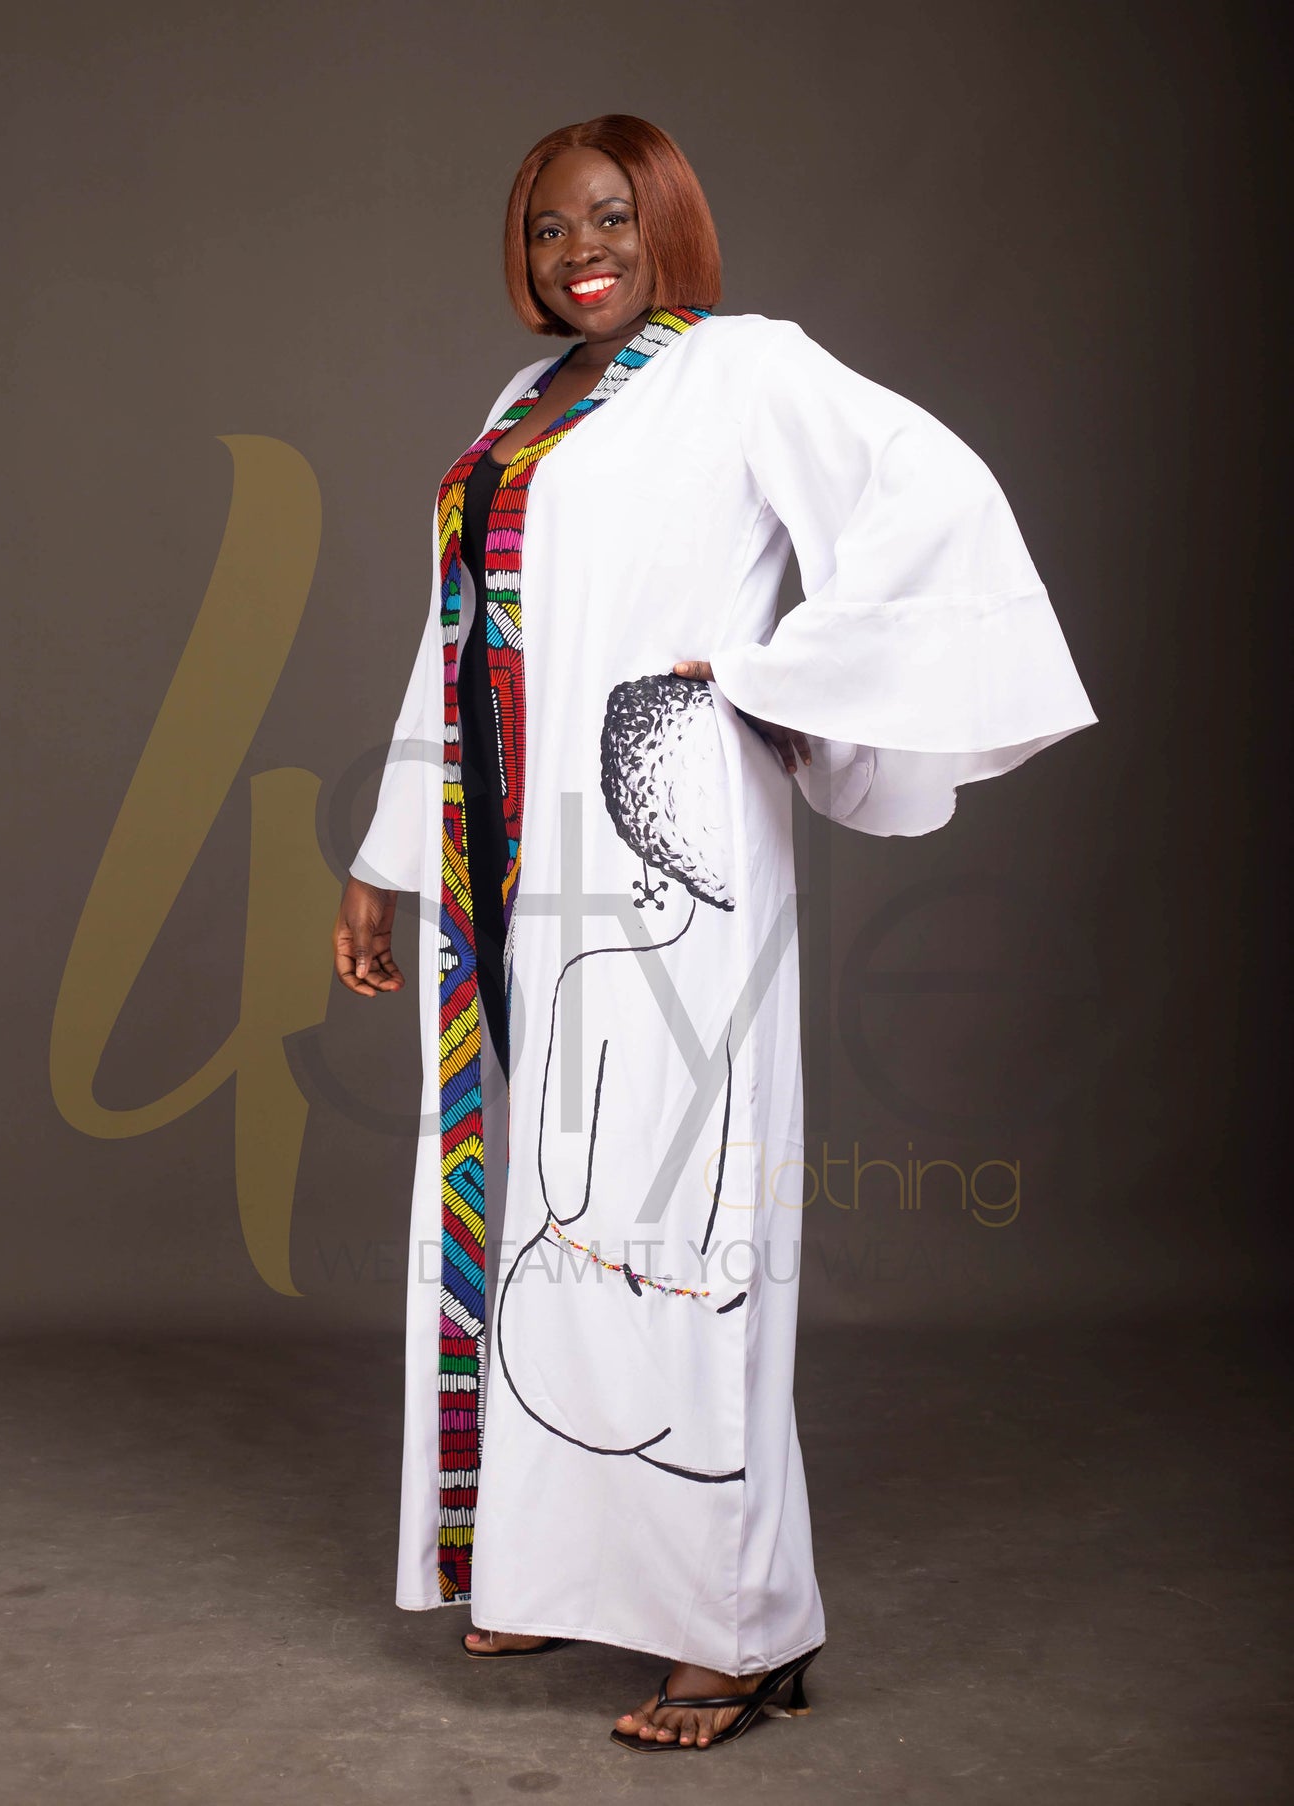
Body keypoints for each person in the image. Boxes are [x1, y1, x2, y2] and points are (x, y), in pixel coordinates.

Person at [332, 114, 1096, 1752]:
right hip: (508, 863)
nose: (577, 252)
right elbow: (451, 635)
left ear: (666, 220)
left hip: (661, 843)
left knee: (673, 1220)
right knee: (550, 1200)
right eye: (547, 227)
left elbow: (933, 507)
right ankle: (548, 1558)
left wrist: (763, 677)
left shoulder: (745, 367)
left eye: (609, 218)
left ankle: (741, 1634)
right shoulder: (521, 407)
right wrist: (387, 857)